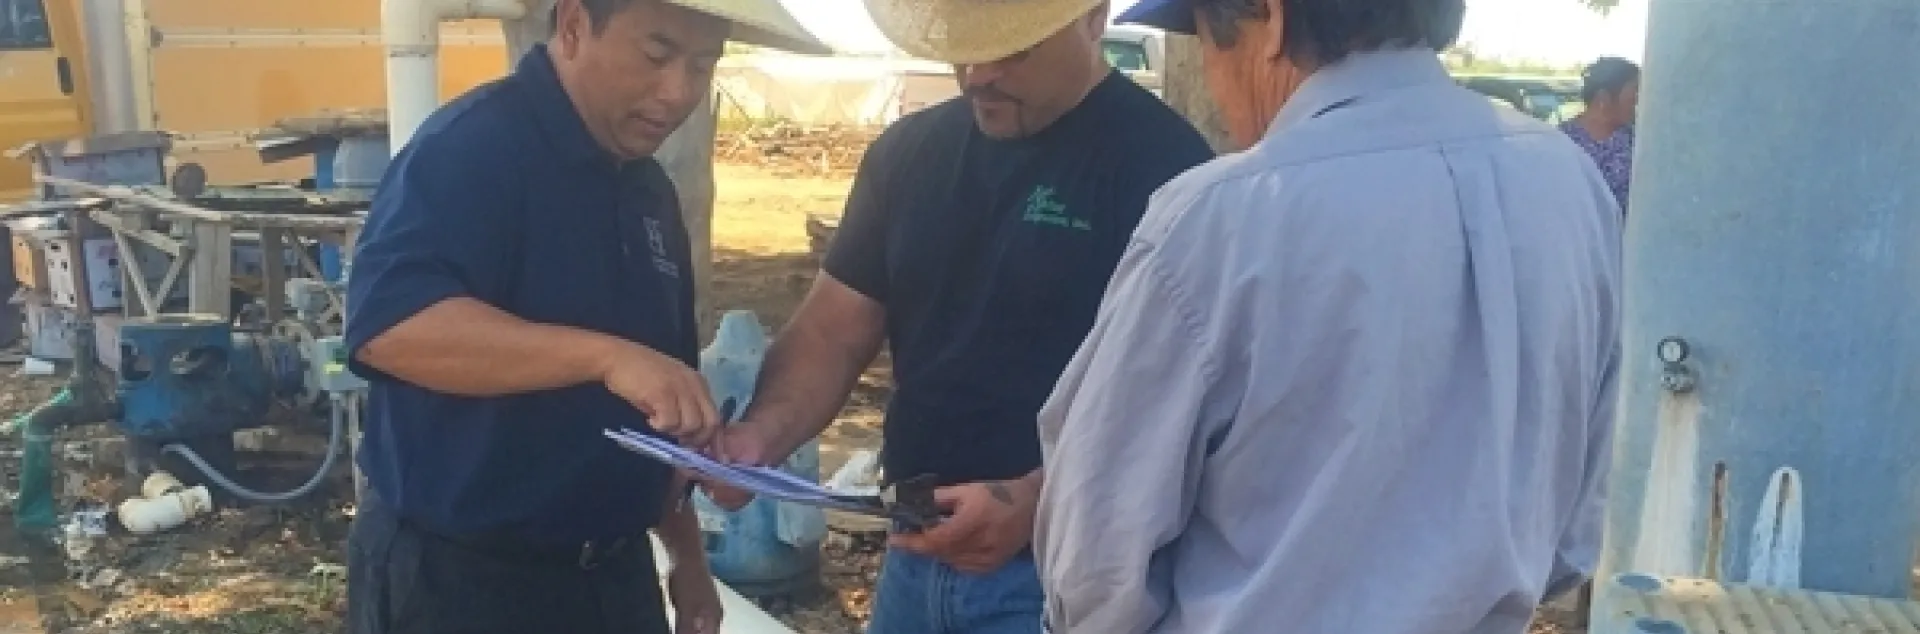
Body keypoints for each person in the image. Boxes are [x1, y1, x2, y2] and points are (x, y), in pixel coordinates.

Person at [1030, 0, 1623, 633]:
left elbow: (1096, 558)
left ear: (1272, 19)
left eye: (1205, 39)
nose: (1211, 76)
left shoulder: (1222, 218)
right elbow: (1576, 522)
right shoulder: (1569, 183)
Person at [700, 0, 1214, 632]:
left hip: (1063, 577)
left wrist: (1039, 499)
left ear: (1092, 17)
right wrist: (759, 437)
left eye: (1012, 49)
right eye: (964, 48)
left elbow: (1177, 404)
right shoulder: (908, 155)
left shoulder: (1169, 172)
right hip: (912, 558)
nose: (978, 75)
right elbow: (833, 331)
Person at [341, 1, 826, 633]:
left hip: (614, 575)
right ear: (573, 26)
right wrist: (606, 358)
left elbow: (661, 415)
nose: (678, 92)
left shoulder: (648, 190)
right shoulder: (474, 148)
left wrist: (688, 559)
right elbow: (390, 328)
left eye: (702, 66)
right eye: (656, 55)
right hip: (461, 580)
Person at [1562, 56, 1640, 213]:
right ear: (1603, 98)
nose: (1638, 103)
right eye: (1634, 96)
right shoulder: (1562, 141)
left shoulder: (1636, 141)